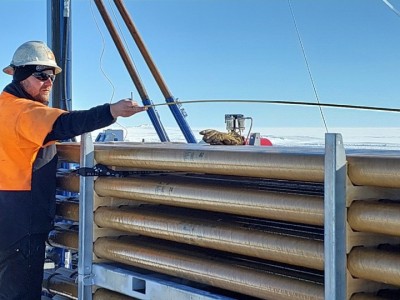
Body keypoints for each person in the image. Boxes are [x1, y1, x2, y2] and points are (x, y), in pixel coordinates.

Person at [0, 41, 146, 300]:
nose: (49, 82)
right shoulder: (24, 112)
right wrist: (112, 111)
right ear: (21, 76)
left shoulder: (4, 106)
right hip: (23, 224)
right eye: (41, 75)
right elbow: (67, 123)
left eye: (52, 76)